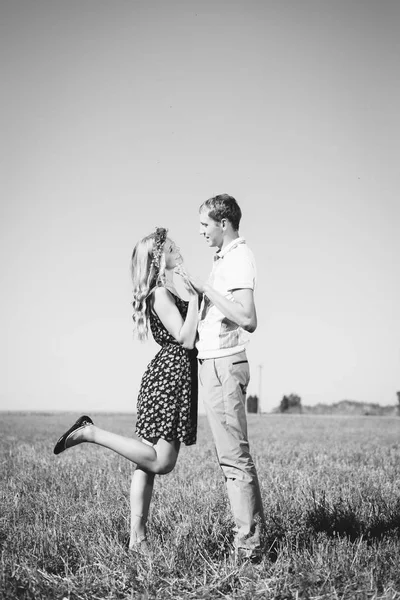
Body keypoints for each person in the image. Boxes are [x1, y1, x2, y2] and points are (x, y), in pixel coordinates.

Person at [53, 227, 199, 550]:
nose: (178, 248)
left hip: (167, 378)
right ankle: (91, 433)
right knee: (161, 462)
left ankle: (138, 538)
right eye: (171, 246)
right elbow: (187, 338)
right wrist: (199, 299)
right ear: (159, 257)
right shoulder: (161, 293)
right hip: (169, 380)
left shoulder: (167, 290)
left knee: (146, 464)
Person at [189, 194, 265, 561]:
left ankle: (247, 549)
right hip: (214, 365)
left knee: (234, 458)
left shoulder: (238, 258)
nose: (201, 231)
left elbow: (248, 317)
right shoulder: (224, 259)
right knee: (231, 457)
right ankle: (250, 539)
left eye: (205, 224)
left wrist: (207, 291)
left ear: (223, 223)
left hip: (225, 365)